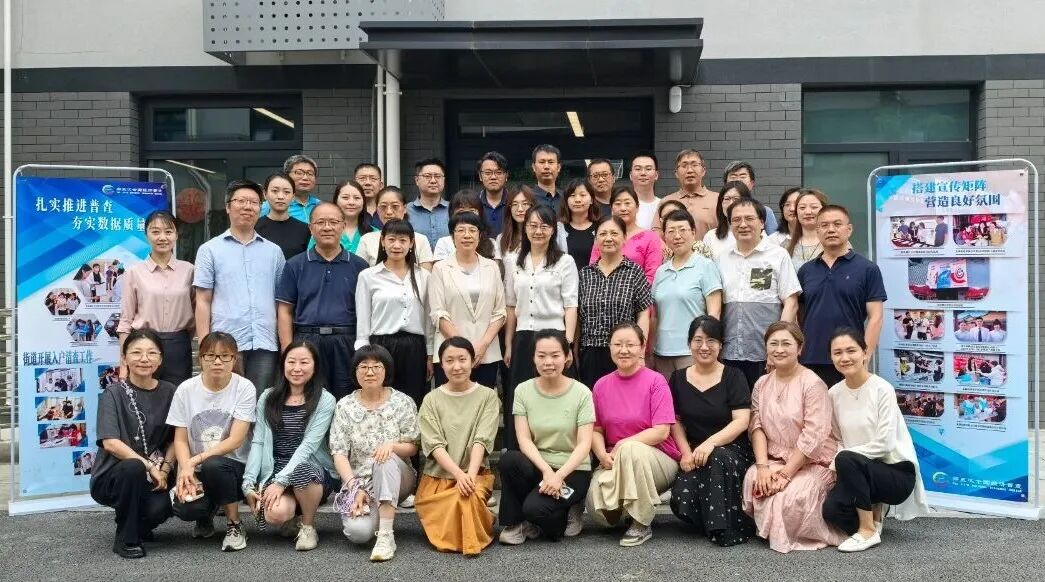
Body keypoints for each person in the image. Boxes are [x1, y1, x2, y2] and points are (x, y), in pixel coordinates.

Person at [742, 322, 845, 553]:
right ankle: (773, 530)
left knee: (789, 496)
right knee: (753, 478)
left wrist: (786, 474)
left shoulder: (813, 384)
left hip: (812, 460)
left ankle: (795, 533)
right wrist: (762, 467)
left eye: (786, 344)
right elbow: (756, 426)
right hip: (775, 458)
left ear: (799, 348)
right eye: (774, 344)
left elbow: (813, 436)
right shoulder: (762, 383)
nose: (779, 349)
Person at [822, 328, 929, 552]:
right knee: (832, 511)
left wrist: (841, 460)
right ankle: (875, 510)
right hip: (858, 471)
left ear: (864, 352)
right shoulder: (833, 394)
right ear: (831, 358)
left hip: (895, 473)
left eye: (851, 350)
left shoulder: (882, 389)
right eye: (837, 353)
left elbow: (886, 444)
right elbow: (839, 439)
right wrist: (843, 460)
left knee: (846, 458)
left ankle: (868, 530)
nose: (845, 357)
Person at [586, 323, 680, 547]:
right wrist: (601, 454)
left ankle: (641, 521)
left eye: (630, 344)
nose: (624, 350)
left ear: (642, 347)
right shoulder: (600, 385)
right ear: (610, 347)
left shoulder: (656, 381)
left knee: (631, 449)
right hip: (615, 459)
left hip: (658, 459)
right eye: (617, 344)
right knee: (599, 512)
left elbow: (661, 431)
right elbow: (596, 430)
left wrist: (622, 444)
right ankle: (629, 509)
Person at [498, 330, 594, 544]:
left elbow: (584, 444)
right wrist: (547, 472)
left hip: (573, 470)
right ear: (533, 357)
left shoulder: (582, 393)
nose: (548, 362)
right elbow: (524, 439)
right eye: (541, 356)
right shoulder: (523, 390)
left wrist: (559, 476)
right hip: (540, 466)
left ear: (567, 357)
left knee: (536, 509)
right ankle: (516, 524)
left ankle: (570, 506)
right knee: (510, 460)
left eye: (555, 355)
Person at [668, 316, 755, 546]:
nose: (704, 347)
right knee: (683, 499)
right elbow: (674, 421)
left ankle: (724, 528)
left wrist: (711, 443)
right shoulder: (678, 378)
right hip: (695, 451)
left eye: (711, 341)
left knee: (717, 458)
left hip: (732, 448)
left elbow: (741, 421)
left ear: (721, 345)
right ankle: (711, 518)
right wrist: (686, 452)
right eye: (698, 340)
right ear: (689, 344)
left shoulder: (734, 376)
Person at [242, 341, 337, 551]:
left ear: (315, 366)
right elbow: (258, 441)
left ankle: (308, 527)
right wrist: (248, 482)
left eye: (304, 362)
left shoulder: (325, 400)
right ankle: (294, 517)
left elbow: (308, 446)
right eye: (291, 362)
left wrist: (281, 482)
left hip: (312, 469)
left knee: (303, 471)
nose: (297, 368)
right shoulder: (268, 397)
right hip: (276, 468)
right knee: (275, 514)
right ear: (283, 364)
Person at [90, 329, 177, 559]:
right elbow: (110, 443)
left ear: (160, 359)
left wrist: (164, 470)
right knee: (133, 467)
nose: (144, 359)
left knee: (161, 508)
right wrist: (148, 466)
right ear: (125, 358)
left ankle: (139, 525)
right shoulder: (113, 393)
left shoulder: (170, 391)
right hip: (115, 474)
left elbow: (176, 438)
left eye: (151, 353)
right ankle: (125, 539)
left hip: (157, 471)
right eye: (136, 352)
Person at [167, 332, 257, 552]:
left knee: (214, 464)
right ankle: (204, 516)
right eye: (210, 355)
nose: (217, 362)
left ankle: (234, 524)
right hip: (198, 468)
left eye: (225, 356)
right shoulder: (185, 389)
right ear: (200, 359)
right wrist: (185, 469)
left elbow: (236, 440)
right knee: (186, 509)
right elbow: (180, 438)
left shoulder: (244, 387)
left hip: (234, 468)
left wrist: (194, 460)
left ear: (234, 359)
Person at [194, 179, 286, 395]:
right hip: (224, 345)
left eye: (254, 202)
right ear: (228, 207)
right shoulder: (209, 250)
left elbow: (281, 302)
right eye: (241, 201)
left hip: (265, 342)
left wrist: (284, 344)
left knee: (261, 400)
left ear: (260, 208)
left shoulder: (274, 252)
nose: (247, 207)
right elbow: (203, 300)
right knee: (225, 399)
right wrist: (205, 346)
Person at [329, 345, 420, 561]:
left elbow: (413, 446)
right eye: (364, 367)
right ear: (355, 372)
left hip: (399, 478)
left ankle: (386, 536)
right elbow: (339, 453)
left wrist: (392, 446)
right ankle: (378, 512)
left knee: (384, 459)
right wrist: (354, 487)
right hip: (361, 483)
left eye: (376, 366)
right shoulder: (345, 406)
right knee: (358, 533)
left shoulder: (402, 402)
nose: (370, 372)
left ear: (386, 370)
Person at [415, 337, 501, 556]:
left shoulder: (488, 396)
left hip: (475, 474)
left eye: (462, 359)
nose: (457, 366)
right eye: (449, 360)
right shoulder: (431, 399)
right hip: (438, 477)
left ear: (472, 361)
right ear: (441, 364)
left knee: (466, 498)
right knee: (457, 504)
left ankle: (473, 532)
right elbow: (434, 445)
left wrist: (468, 476)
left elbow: (482, 439)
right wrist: (458, 475)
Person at [276, 202, 370, 400]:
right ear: (311, 228)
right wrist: (288, 350)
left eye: (333, 222)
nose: (327, 227)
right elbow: (284, 310)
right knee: (308, 399)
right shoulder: (295, 265)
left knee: (347, 398)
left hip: (347, 341)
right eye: (321, 222)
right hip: (306, 340)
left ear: (343, 226)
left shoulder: (360, 266)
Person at [503, 206, 579, 449]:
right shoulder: (514, 261)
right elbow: (511, 305)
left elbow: (571, 305)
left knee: (556, 394)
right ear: (524, 228)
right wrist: (508, 343)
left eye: (544, 226)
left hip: (555, 337)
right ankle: (518, 450)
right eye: (533, 225)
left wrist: (567, 343)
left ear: (553, 230)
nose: (538, 231)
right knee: (521, 396)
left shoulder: (565, 262)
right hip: (523, 336)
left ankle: (557, 449)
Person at [798, 204, 886, 388]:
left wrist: (865, 356)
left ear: (849, 229)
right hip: (810, 358)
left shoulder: (868, 269)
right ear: (817, 231)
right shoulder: (806, 271)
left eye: (837, 224)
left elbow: (876, 317)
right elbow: (799, 315)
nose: (831, 229)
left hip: (849, 359)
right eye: (824, 225)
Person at [719, 198, 802, 388]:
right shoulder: (722, 258)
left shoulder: (778, 255)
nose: (743, 224)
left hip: (765, 354)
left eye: (749, 218)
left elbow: (791, 302)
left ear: (762, 222)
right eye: (736, 220)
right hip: (730, 353)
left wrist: (776, 348)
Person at [355, 219, 433, 409]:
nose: (396, 245)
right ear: (382, 241)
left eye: (403, 240)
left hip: (414, 347)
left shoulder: (424, 276)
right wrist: (363, 354)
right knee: (381, 401)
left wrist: (430, 354)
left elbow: (428, 320)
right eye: (391, 239)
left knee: (413, 400)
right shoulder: (368, 276)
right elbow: (363, 318)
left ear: (411, 243)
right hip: (380, 346)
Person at [428, 212, 507, 388]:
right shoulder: (440, 268)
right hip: (451, 352)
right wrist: (463, 348)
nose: (467, 235)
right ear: (452, 236)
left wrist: (483, 344)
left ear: (480, 235)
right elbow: (438, 313)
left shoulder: (492, 267)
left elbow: (500, 312)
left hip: (486, 352)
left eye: (472, 230)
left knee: (484, 400)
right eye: (461, 230)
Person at [117, 210, 195, 386]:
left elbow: (196, 313)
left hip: (178, 347)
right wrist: (123, 363)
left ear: (176, 235)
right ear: (146, 235)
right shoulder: (134, 272)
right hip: (143, 346)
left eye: (168, 232)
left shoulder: (189, 270)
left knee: (177, 397)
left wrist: (180, 339)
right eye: (155, 232)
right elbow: (126, 320)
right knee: (142, 397)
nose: (162, 237)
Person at [577, 216, 654, 389]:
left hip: (624, 352)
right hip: (590, 352)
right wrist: (574, 351)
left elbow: (643, 313)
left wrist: (640, 353)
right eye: (603, 234)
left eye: (614, 233)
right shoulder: (585, 274)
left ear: (624, 237)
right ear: (596, 239)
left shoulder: (634, 272)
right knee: (593, 400)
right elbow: (578, 317)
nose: (608, 238)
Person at [651, 210, 723, 378]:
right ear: (664, 236)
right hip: (662, 352)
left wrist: (706, 345)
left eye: (682, 230)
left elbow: (714, 312)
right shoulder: (661, 271)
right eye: (671, 231)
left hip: (692, 351)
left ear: (693, 233)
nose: (677, 236)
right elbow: (655, 315)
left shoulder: (705, 266)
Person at [590, 185, 663, 284]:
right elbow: (593, 270)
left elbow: (652, 275)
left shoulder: (651, 238)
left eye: (627, 203)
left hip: (639, 292)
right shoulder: (603, 236)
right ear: (611, 208)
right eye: (618, 204)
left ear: (637, 207)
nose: (623, 208)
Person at [358, 186, 435, 268]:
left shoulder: (420, 240)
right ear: (377, 209)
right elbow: (360, 272)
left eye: (395, 206)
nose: (389, 212)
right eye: (383, 206)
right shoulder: (367, 240)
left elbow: (426, 273)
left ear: (404, 208)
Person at [659, 149, 717, 239]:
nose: (690, 170)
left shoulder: (718, 199)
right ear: (676, 173)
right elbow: (657, 235)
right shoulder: (666, 202)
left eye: (694, 165)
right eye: (684, 165)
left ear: (703, 171)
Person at [256, 173, 312, 259]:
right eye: (275, 191)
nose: (280, 197)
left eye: (286, 192)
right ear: (265, 194)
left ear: (293, 197)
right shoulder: (254, 227)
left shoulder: (305, 229)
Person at [309, 180, 373, 254]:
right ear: (336, 200)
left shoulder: (374, 233)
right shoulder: (322, 232)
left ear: (363, 202)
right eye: (345, 197)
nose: (351, 202)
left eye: (357, 198)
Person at [432, 190, 496, 261]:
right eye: (461, 211)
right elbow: (440, 267)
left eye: (472, 211)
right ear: (452, 213)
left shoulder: (492, 243)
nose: (467, 215)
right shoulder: (444, 243)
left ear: (480, 213)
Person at [261, 155, 321, 223]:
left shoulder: (320, 205)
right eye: (299, 173)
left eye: (310, 174)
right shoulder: (269, 206)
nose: (305, 178)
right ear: (286, 175)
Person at [722, 160, 778, 233]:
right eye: (733, 176)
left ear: (752, 184)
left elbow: (773, 238)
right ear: (725, 184)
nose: (738, 180)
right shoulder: (718, 211)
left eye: (742, 176)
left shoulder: (765, 211)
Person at [702, 181, 751, 260]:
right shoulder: (711, 237)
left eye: (736, 199)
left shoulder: (756, 234)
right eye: (727, 199)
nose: (731, 203)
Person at [407, 158, 451, 244]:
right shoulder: (406, 211)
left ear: (444, 180)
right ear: (417, 180)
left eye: (438, 176)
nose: (433, 181)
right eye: (427, 176)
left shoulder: (454, 209)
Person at [560, 178, 600, 271]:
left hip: (594, 279)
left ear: (591, 200)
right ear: (566, 200)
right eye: (572, 195)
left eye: (582, 195)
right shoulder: (559, 229)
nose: (577, 200)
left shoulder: (601, 228)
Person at [786, 189, 828, 271]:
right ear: (796, 212)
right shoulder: (785, 246)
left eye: (814, 207)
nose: (808, 212)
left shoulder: (836, 242)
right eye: (802, 208)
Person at [476, 151, 510, 236]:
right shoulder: (473, 203)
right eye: (488, 173)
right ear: (480, 176)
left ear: (506, 175)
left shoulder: (514, 202)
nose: (493, 177)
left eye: (498, 172)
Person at [629, 152, 661, 230]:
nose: (643, 173)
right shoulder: (623, 206)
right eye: (638, 169)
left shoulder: (663, 205)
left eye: (648, 169)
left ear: (656, 175)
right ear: (630, 175)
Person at [532, 144, 564, 210]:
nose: (546, 166)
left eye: (551, 162)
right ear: (534, 167)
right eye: (542, 162)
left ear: (558, 167)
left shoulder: (566, 198)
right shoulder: (527, 198)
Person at [353, 163, 385, 228]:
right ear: (354, 184)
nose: (368, 183)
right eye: (362, 178)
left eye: (373, 179)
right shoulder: (348, 210)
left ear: (381, 185)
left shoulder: (388, 210)